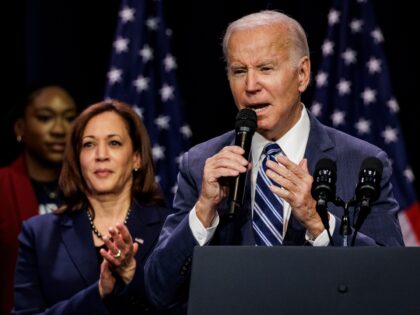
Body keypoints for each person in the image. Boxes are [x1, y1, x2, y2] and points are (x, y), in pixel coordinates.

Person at [144, 10, 404, 310]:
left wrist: (318, 225)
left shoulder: (361, 163)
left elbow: (393, 287)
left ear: (302, 74)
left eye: (265, 68)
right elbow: (158, 291)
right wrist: (203, 211)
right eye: (239, 71)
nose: (250, 85)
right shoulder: (201, 164)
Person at [13, 101, 175, 314]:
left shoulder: (169, 228)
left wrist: (130, 276)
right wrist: (99, 293)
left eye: (114, 143)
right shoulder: (38, 234)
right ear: (78, 160)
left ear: (136, 158)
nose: (101, 155)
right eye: (88, 144)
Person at [0, 85, 77, 314]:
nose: (59, 129)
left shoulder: (91, 189)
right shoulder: (3, 186)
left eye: (70, 118)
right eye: (45, 118)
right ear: (20, 127)